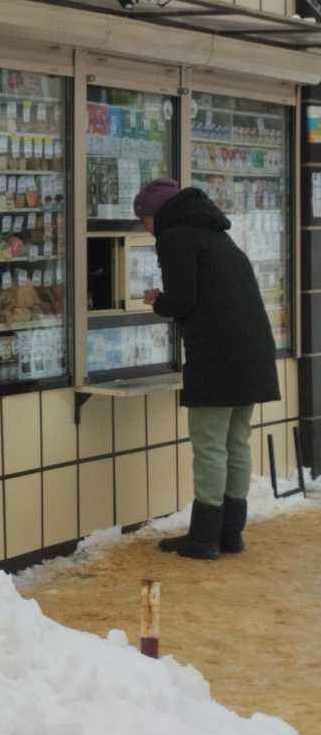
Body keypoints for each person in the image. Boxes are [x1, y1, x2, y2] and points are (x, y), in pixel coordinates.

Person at [133, 177, 279, 561]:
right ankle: (231, 533)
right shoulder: (215, 234)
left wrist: (158, 301)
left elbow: (183, 300)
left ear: (157, 214)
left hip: (217, 356)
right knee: (235, 442)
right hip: (253, 353)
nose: (144, 228)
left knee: (210, 445)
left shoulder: (176, 237)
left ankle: (203, 538)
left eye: (144, 219)